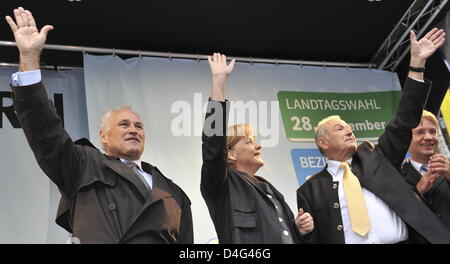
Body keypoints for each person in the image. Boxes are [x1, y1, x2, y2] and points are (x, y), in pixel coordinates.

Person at [5, 7, 193, 244]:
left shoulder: (172, 192)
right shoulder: (83, 165)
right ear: (103, 137)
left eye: (139, 125)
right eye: (124, 124)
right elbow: (44, 129)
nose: (134, 129)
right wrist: (30, 58)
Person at [296, 28, 450, 243]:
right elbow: (314, 238)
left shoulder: (378, 157)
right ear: (322, 142)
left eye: (349, 127)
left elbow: (405, 118)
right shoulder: (309, 190)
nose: (349, 130)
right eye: (339, 128)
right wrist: (304, 232)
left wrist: (416, 64)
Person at [201, 53, 314, 244]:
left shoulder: (271, 190)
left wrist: (298, 230)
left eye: (255, 139)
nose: (259, 145)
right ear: (229, 154)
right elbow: (213, 145)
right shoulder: (221, 186)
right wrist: (219, 84)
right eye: (248, 141)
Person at [402, 110, 450, 231]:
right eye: (420, 132)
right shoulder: (397, 175)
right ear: (406, 138)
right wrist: (418, 191)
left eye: (433, 132)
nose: (428, 137)